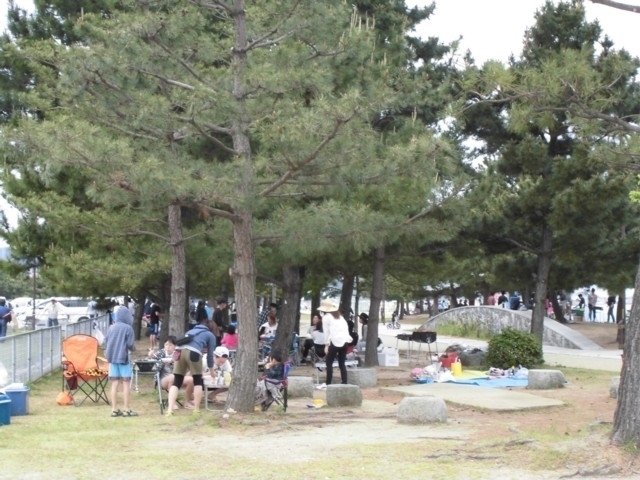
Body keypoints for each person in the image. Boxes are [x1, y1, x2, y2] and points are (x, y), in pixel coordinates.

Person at [165, 317, 216, 416]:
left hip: (179, 352)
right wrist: (211, 371)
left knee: (177, 381)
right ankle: (196, 409)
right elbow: (210, 355)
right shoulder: (210, 335)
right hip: (194, 353)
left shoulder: (190, 331)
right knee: (197, 381)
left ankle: (170, 409)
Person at [104, 306, 137, 417]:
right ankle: (126, 409)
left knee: (114, 384)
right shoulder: (128, 328)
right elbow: (130, 344)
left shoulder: (111, 328)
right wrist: (134, 349)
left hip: (112, 359)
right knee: (126, 384)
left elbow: (106, 342)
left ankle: (114, 409)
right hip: (124, 359)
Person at [150, 336, 195, 409]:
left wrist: (177, 363)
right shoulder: (160, 353)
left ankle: (187, 402)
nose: (168, 347)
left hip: (178, 377)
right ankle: (172, 403)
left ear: (175, 346)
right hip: (163, 379)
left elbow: (186, 367)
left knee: (191, 380)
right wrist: (153, 357)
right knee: (172, 377)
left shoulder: (178, 353)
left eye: (170, 345)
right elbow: (153, 364)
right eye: (166, 344)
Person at [320, 299, 351, 385]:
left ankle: (328, 382)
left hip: (334, 341)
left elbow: (326, 332)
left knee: (329, 362)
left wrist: (326, 344)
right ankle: (344, 381)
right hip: (344, 341)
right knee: (342, 363)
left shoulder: (326, 317)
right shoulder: (340, 317)